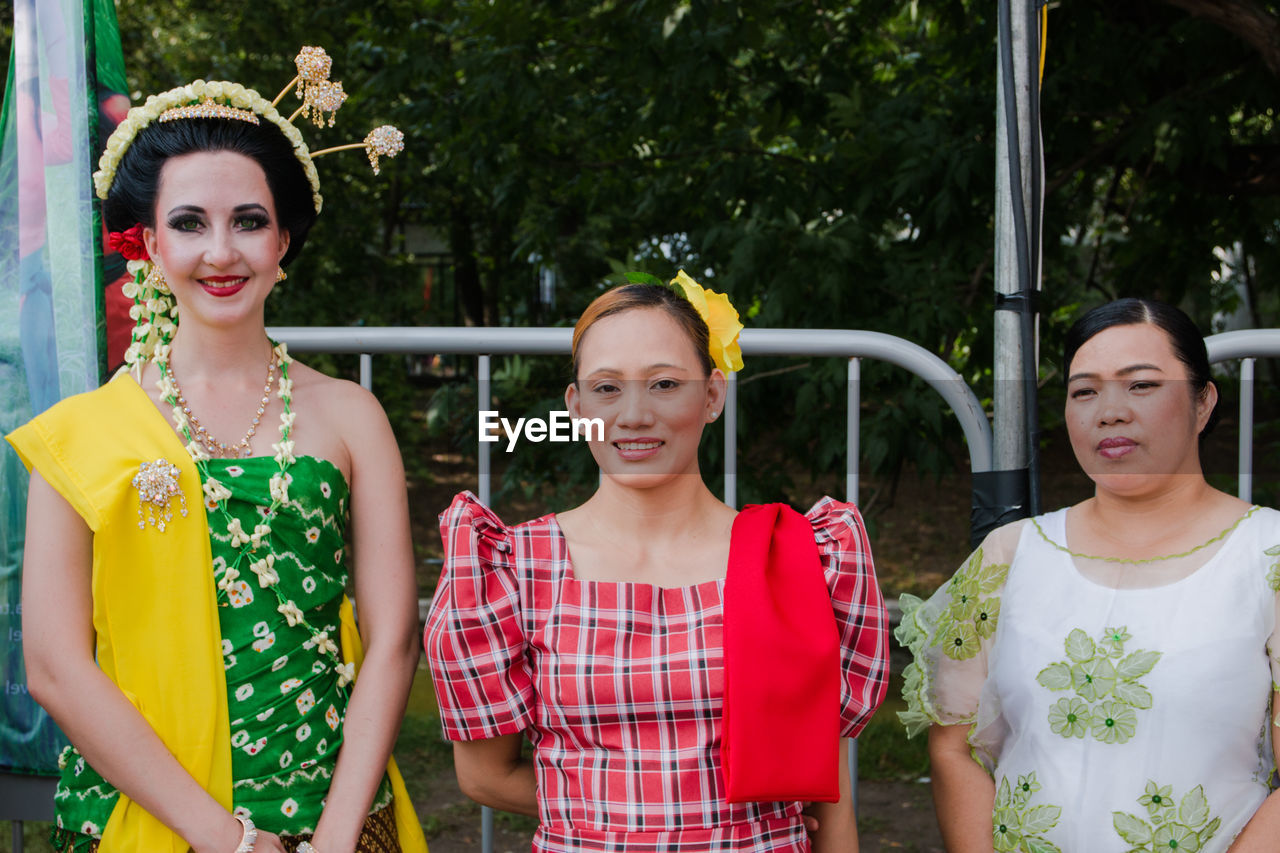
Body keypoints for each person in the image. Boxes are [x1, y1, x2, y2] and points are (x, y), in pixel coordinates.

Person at [7, 48, 425, 853]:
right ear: (150, 245)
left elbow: (393, 635)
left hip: (333, 808)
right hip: (151, 816)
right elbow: (56, 666)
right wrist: (228, 839)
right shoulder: (84, 432)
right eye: (190, 223)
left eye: (250, 221)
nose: (222, 252)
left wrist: (338, 836)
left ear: (284, 241)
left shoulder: (351, 416)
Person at [424, 273, 890, 852]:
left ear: (713, 396)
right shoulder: (514, 569)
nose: (636, 415)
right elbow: (485, 774)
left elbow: (827, 789)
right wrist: (649, 822)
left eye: (666, 383)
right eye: (606, 388)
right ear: (576, 407)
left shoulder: (791, 556)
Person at [897, 298, 1280, 852]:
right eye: (1084, 391)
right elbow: (954, 748)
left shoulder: (1267, 554)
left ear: (1203, 402)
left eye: (1142, 385)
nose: (1110, 411)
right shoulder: (1009, 555)